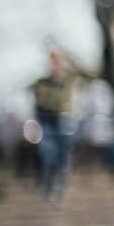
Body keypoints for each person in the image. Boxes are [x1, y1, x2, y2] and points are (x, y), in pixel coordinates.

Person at [30, 49, 82, 201]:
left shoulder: (68, 80)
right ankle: (47, 185)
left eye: (58, 61)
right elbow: (40, 101)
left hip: (63, 119)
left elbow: (60, 100)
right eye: (53, 61)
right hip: (45, 119)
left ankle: (60, 189)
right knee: (47, 153)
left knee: (63, 157)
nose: (55, 64)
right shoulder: (41, 82)